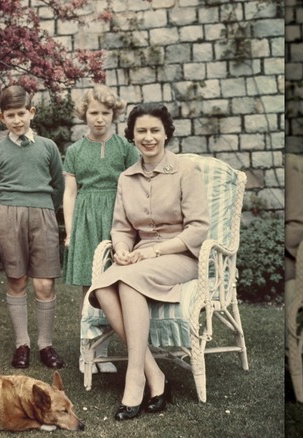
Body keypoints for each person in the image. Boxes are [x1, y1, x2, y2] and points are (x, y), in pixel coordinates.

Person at [86, 103, 210, 420]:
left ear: (166, 133)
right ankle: (153, 375)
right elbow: (121, 228)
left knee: (126, 280)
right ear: (132, 136)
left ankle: (133, 379)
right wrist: (121, 248)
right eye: (141, 131)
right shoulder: (127, 178)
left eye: (155, 130)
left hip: (180, 256)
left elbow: (199, 227)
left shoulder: (185, 170)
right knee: (103, 288)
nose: (148, 137)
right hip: (141, 258)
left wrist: (155, 251)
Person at [0, 85, 66, 369]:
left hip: (43, 213)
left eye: (22, 113)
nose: (17, 120)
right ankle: (22, 344)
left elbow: (58, 185)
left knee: (44, 282)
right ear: (1, 118)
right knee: (17, 280)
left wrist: (45, 210)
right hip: (9, 215)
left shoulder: (48, 147)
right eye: (10, 115)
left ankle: (45, 344)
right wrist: (6, 213)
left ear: (32, 112)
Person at [62, 84, 139, 374]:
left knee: (114, 284)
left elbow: (136, 186)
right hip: (85, 219)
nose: (99, 118)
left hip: (117, 219)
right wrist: (70, 231)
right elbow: (70, 193)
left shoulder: (125, 148)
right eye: (93, 112)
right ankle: (87, 352)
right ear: (84, 114)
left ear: (114, 114)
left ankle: (104, 352)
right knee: (88, 286)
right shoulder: (76, 151)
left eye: (105, 113)